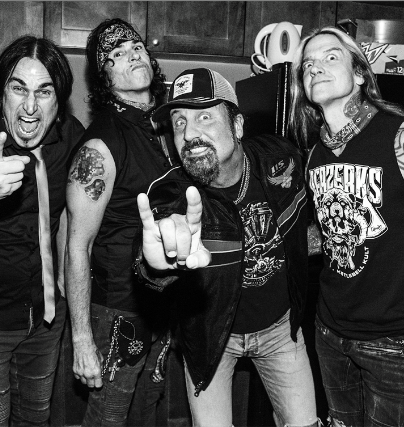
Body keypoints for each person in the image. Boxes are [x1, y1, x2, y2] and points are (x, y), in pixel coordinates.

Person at [136, 67, 319, 427]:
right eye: (179, 122)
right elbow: (152, 245)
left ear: (237, 126)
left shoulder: (280, 159)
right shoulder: (171, 194)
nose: (189, 134)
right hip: (210, 339)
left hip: (280, 329)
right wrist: (156, 264)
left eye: (204, 117)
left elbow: (312, 214)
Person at [65, 18, 178, 426]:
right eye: (116, 54)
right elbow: (77, 246)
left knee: (146, 413)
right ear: (104, 76)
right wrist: (82, 338)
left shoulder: (167, 127)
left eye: (136, 47)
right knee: (108, 418)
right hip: (117, 310)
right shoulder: (100, 145)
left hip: (163, 303)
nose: (132, 55)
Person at [289, 26, 404, 426]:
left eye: (330, 57)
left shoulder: (397, 133)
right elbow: (327, 232)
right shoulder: (315, 154)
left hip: (392, 339)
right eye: (308, 64)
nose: (315, 67)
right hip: (330, 330)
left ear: (358, 73)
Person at [0, 35, 84, 426]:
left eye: (44, 91)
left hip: (45, 320)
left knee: (36, 418)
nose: (29, 107)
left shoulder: (70, 137)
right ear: (1, 92)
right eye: (18, 88)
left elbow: (72, 214)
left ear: (59, 102)